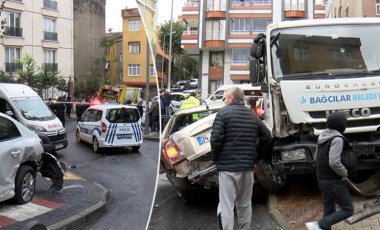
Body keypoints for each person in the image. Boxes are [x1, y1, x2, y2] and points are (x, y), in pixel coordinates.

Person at [210, 87, 272, 230]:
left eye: (224, 98)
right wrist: (256, 157)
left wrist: (216, 158)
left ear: (231, 98)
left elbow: (215, 139)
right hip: (247, 168)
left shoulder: (223, 114)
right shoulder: (252, 115)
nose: (223, 101)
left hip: (228, 169)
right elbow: (267, 137)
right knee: (244, 203)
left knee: (227, 205)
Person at [305, 111, 354, 230]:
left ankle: (321, 226)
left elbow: (317, 157)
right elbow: (334, 161)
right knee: (348, 209)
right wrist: (344, 173)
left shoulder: (323, 136)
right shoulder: (337, 139)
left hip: (322, 178)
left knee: (329, 210)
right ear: (341, 124)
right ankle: (320, 224)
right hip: (334, 181)